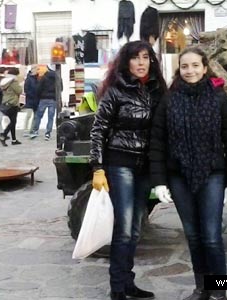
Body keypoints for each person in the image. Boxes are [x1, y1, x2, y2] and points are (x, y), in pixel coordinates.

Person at [149, 47, 227, 300]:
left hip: (212, 174)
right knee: (192, 235)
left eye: (195, 65)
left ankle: (219, 293)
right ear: (179, 69)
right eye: (184, 66)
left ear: (205, 68)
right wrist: (159, 181)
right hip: (178, 176)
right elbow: (157, 142)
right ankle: (202, 288)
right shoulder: (169, 100)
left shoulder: (219, 98)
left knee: (211, 236)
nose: (189, 71)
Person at [89, 40, 167, 300]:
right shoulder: (116, 91)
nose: (141, 62)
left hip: (145, 166)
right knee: (123, 228)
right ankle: (117, 289)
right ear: (127, 62)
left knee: (135, 229)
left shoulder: (158, 91)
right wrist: (98, 167)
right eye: (136, 58)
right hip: (120, 162)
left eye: (146, 57)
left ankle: (128, 282)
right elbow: (99, 129)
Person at [29, 65, 61, 141]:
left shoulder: (44, 77)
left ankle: (35, 131)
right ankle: (47, 133)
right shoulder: (58, 78)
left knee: (39, 116)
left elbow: (38, 88)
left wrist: (39, 95)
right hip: (53, 99)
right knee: (50, 117)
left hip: (43, 98)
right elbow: (60, 88)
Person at [0, 67, 23, 146]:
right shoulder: (13, 82)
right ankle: (4, 135)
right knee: (12, 123)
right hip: (12, 104)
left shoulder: (4, 81)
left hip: (5, 103)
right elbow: (19, 91)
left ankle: (14, 139)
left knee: (12, 122)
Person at [22, 65, 39, 137]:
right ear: (32, 70)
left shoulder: (38, 78)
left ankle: (32, 130)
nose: (37, 70)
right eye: (36, 69)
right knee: (28, 115)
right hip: (30, 99)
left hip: (37, 100)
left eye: (37, 69)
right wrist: (32, 95)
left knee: (35, 116)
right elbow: (26, 89)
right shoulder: (28, 79)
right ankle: (25, 130)